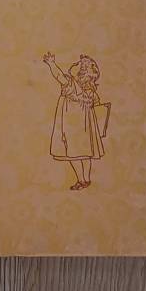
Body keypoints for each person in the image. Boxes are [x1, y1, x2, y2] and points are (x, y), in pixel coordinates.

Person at [43, 52, 105, 190]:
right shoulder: (88, 89)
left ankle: (82, 180)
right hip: (82, 125)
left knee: (74, 153)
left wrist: (52, 63)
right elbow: (96, 102)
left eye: (78, 64)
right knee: (85, 153)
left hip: (72, 123)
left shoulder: (72, 84)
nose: (74, 64)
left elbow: (58, 75)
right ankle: (85, 179)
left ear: (82, 71)